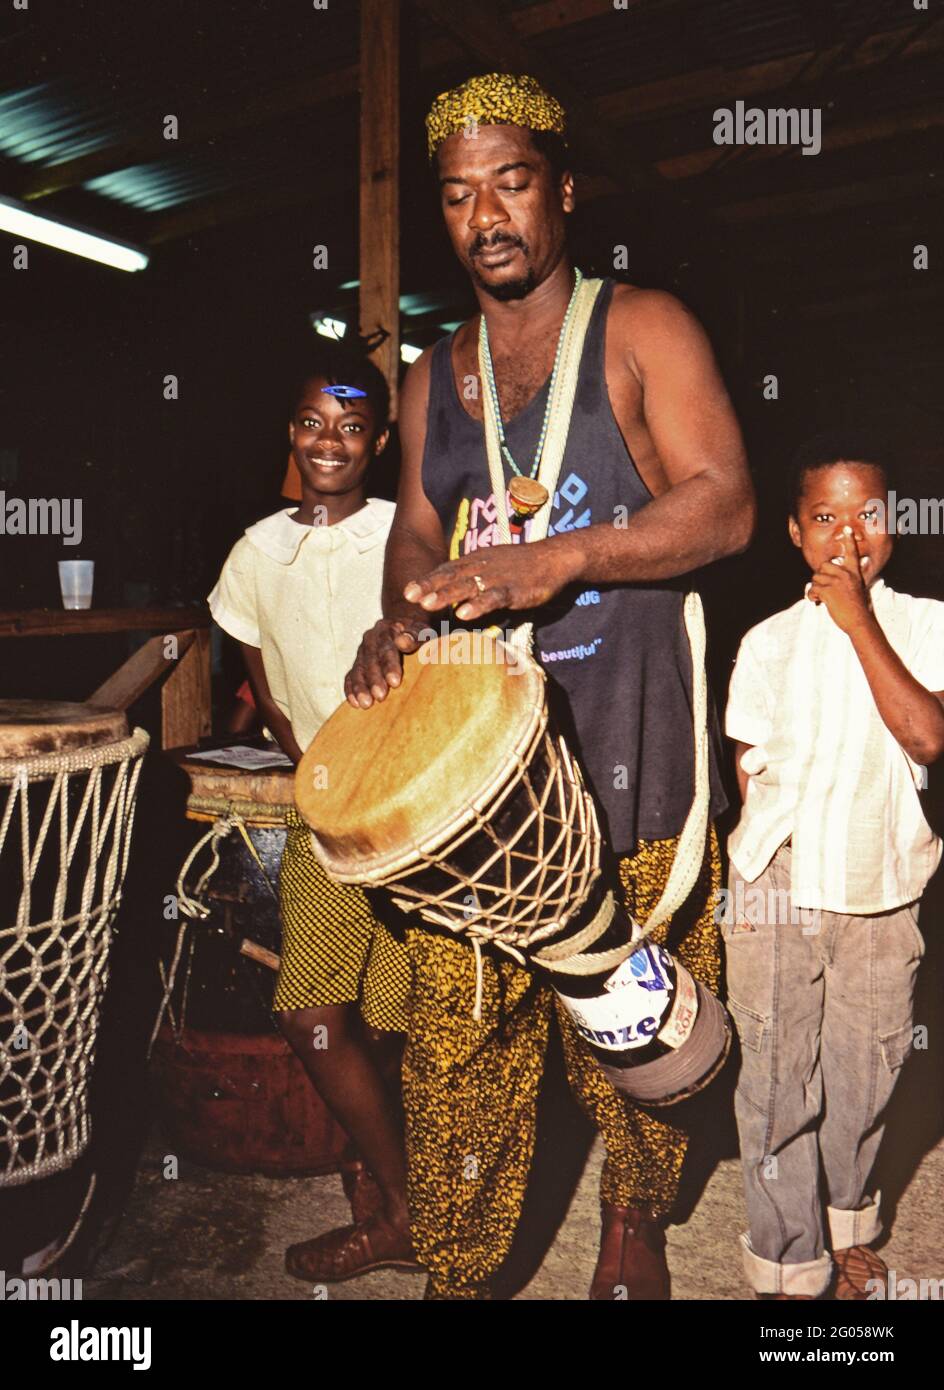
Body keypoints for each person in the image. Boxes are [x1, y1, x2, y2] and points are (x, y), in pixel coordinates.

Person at [344, 73, 755, 1300]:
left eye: (511, 182)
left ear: (561, 189)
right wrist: (399, 614)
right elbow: (416, 531)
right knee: (461, 1033)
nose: (487, 216)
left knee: (635, 1017)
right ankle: (461, 1266)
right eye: (460, 196)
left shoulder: (644, 326)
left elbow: (724, 503)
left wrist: (559, 557)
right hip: (483, 780)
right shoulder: (434, 370)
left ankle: (631, 1223)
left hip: (633, 745)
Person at [208, 344, 419, 1281]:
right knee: (313, 1012)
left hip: (416, 808)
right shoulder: (258, 550)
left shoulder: (403, 536)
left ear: (381, 438)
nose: (329, 441)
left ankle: (379, 1203)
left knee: (395, 1013)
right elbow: (272, 691)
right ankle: (406, 1202)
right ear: (290, 433)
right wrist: (316, 780)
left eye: (351, 425)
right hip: (325, 811)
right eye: (311, 424)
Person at [724, 431, 944, 1300]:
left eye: (868, 515)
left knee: (869, 1063)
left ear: (895, 527)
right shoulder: (769, 641)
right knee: (777, 1070)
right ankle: (787, 1256)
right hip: (778, 878)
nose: (846, 535)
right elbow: (750, 768)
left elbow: (927, 735)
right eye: (824, 516)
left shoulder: (928, 624)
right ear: (793, 531)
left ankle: (848, 1218)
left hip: (881, 878)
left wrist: (859, 623)